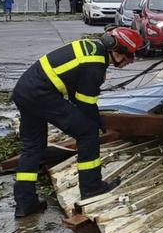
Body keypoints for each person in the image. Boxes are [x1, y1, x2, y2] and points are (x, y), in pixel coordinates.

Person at [11, 27, 144, 217]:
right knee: (88, 133)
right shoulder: (96, 64)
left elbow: (75, 93)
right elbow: (85, 104)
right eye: (130, 56)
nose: (131, 62)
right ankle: (92, 187)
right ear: (118, 50)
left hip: (25, 91)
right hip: (42, 94)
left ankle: (25, 203)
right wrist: (100, 124)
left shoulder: (91, 48)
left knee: (33, 147)